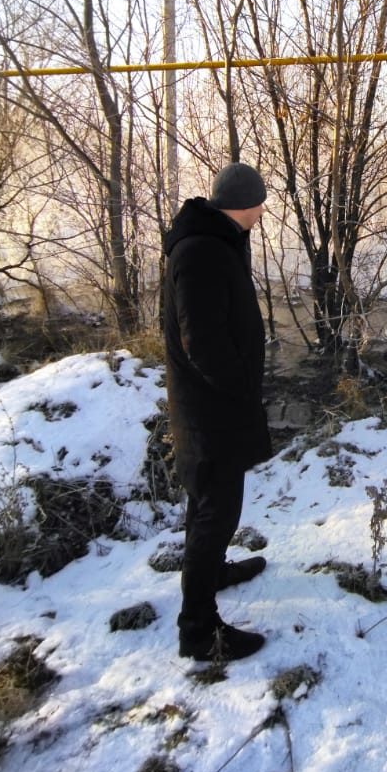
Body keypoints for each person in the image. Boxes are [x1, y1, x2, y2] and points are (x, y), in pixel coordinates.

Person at [163, 162, 272, 661]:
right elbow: (201, 341)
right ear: (246, 204)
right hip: (210, 410)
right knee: (216, 511)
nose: (260, 213)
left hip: (212, 406)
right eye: (259, 204)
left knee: (208, 506)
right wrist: (238, 388)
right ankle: (199, 631)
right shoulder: (203, 250)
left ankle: (216, 572)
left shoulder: (217, 238)